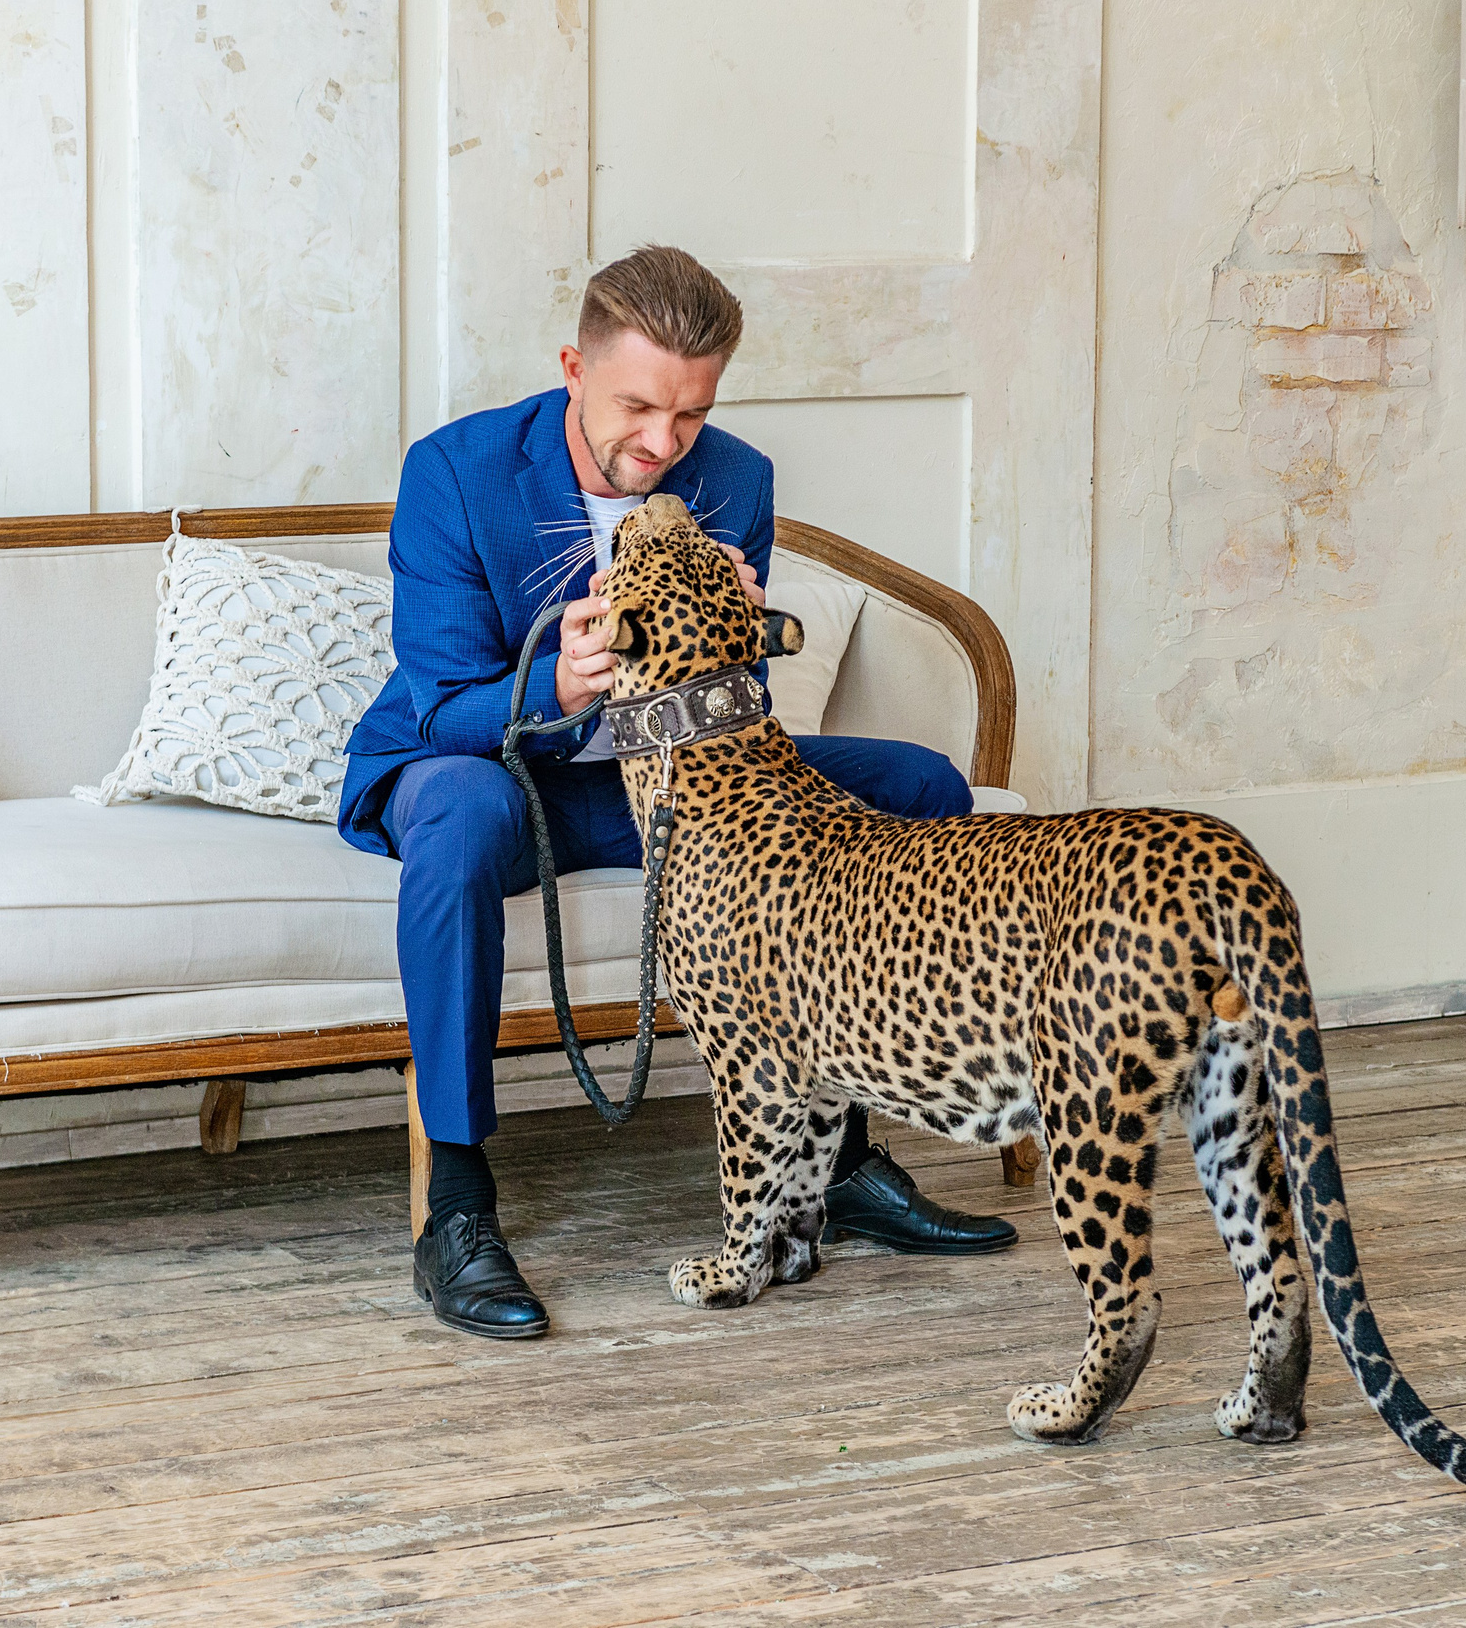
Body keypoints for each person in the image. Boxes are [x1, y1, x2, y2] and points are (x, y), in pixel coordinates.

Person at [338, 245, 1018, 1340]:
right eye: (637, 407)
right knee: (460, 821)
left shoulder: (735, 480)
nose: (661, 444)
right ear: (573, 365)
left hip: (665, 783)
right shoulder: (457, 470)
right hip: (492, 770)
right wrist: (554, 680)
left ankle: (836, 1159)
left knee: (918, 781)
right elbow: (436, 704)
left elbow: (730, 716)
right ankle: (455, 1204)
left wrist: (734, 641)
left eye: (689, 416)